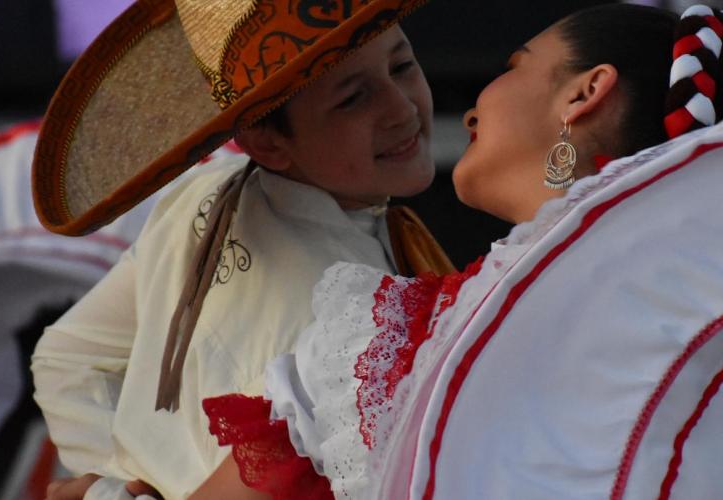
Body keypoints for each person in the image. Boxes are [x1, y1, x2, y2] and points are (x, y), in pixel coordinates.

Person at [196, 4, 723, 499]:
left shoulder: (390, 349)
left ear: (586, 92)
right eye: (354, 97)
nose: (409, 106)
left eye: (516, 64)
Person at [30, 1, 452, 499]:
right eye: (353, 98)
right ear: (265, 141)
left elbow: (68, 357)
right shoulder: (359, 306)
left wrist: (114, 482)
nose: (401, 109)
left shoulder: (203, 191)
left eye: (402, 67)